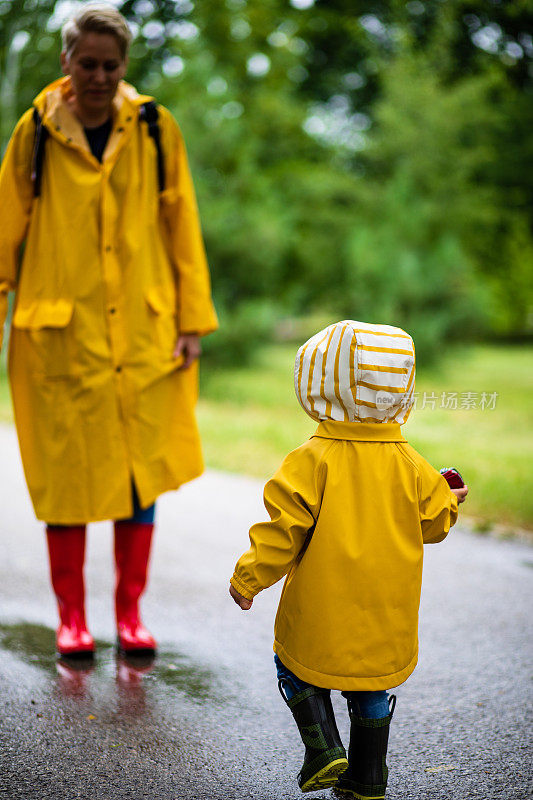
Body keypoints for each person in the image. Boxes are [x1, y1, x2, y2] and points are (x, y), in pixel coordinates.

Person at [0, 3, 217, 657]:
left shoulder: (154, 127)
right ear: (65, 61)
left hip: (144, 332)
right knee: (66, 474)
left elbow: (181, 220)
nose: (98, 76)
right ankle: (72, 620)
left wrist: (191, 320)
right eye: (87, 63)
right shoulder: (34, 131)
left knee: (136, 473)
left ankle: (130, 615)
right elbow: (6, 226)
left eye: (110, 65)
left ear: (125, 65)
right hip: (59, 334)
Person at [229, 320, 468, 798]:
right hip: (385, 613)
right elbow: (433, 524)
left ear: (319, 385)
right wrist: (451, 498)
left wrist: (248, 578)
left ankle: (323, 750)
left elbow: (284, 532)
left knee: (291, 664)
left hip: (321, 607)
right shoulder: (413, 464)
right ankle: (368, 779)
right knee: (371, 687)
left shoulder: (312, 458)